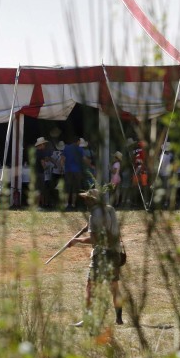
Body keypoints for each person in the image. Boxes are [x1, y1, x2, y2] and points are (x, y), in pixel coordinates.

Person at [68, 188, 123, 326]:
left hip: (101, 255)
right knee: (114, 286)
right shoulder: (110, 209)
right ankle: (119, 319)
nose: (85, 200)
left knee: (90, 287)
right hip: (115, 252)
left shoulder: (94, 215)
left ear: (92, 200)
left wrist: (77, 241)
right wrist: (89, 227)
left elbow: (95, 240)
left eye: (87, 198)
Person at [63, 138, 83, 209]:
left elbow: (63, 159)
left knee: (67, 188)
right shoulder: (80, 149)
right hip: (77, 171)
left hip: (68, 170)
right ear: (77, 141)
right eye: (79, 142)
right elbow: (83, 159)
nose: (80, 143)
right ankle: (73, 204)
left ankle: (66, 204)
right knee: (75, 188)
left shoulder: (66, 148)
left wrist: (61, 168)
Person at [34, 137, 53, 208]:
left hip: (35, 172)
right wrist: (46, 167)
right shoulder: (41, 152)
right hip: (40, 172)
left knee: (36, 189)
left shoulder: (35, 152)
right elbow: (43, 164)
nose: (44, 145)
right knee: (40, 189)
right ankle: (38, 205)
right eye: (44, 144)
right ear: (41, 145)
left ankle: (36, 205)